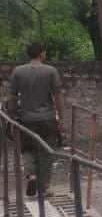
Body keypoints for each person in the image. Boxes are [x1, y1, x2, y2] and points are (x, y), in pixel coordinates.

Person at [7, 42, 64, 197]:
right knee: (46, 152)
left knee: (27, 149)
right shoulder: (51, 71)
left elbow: (12, 97)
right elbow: (58, 97)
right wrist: (62, 119)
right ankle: (44, 188)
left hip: (26, 119)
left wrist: (12, 119)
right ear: (42, 53)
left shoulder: (18, 71)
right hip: (47, 119)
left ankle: (31, 175)